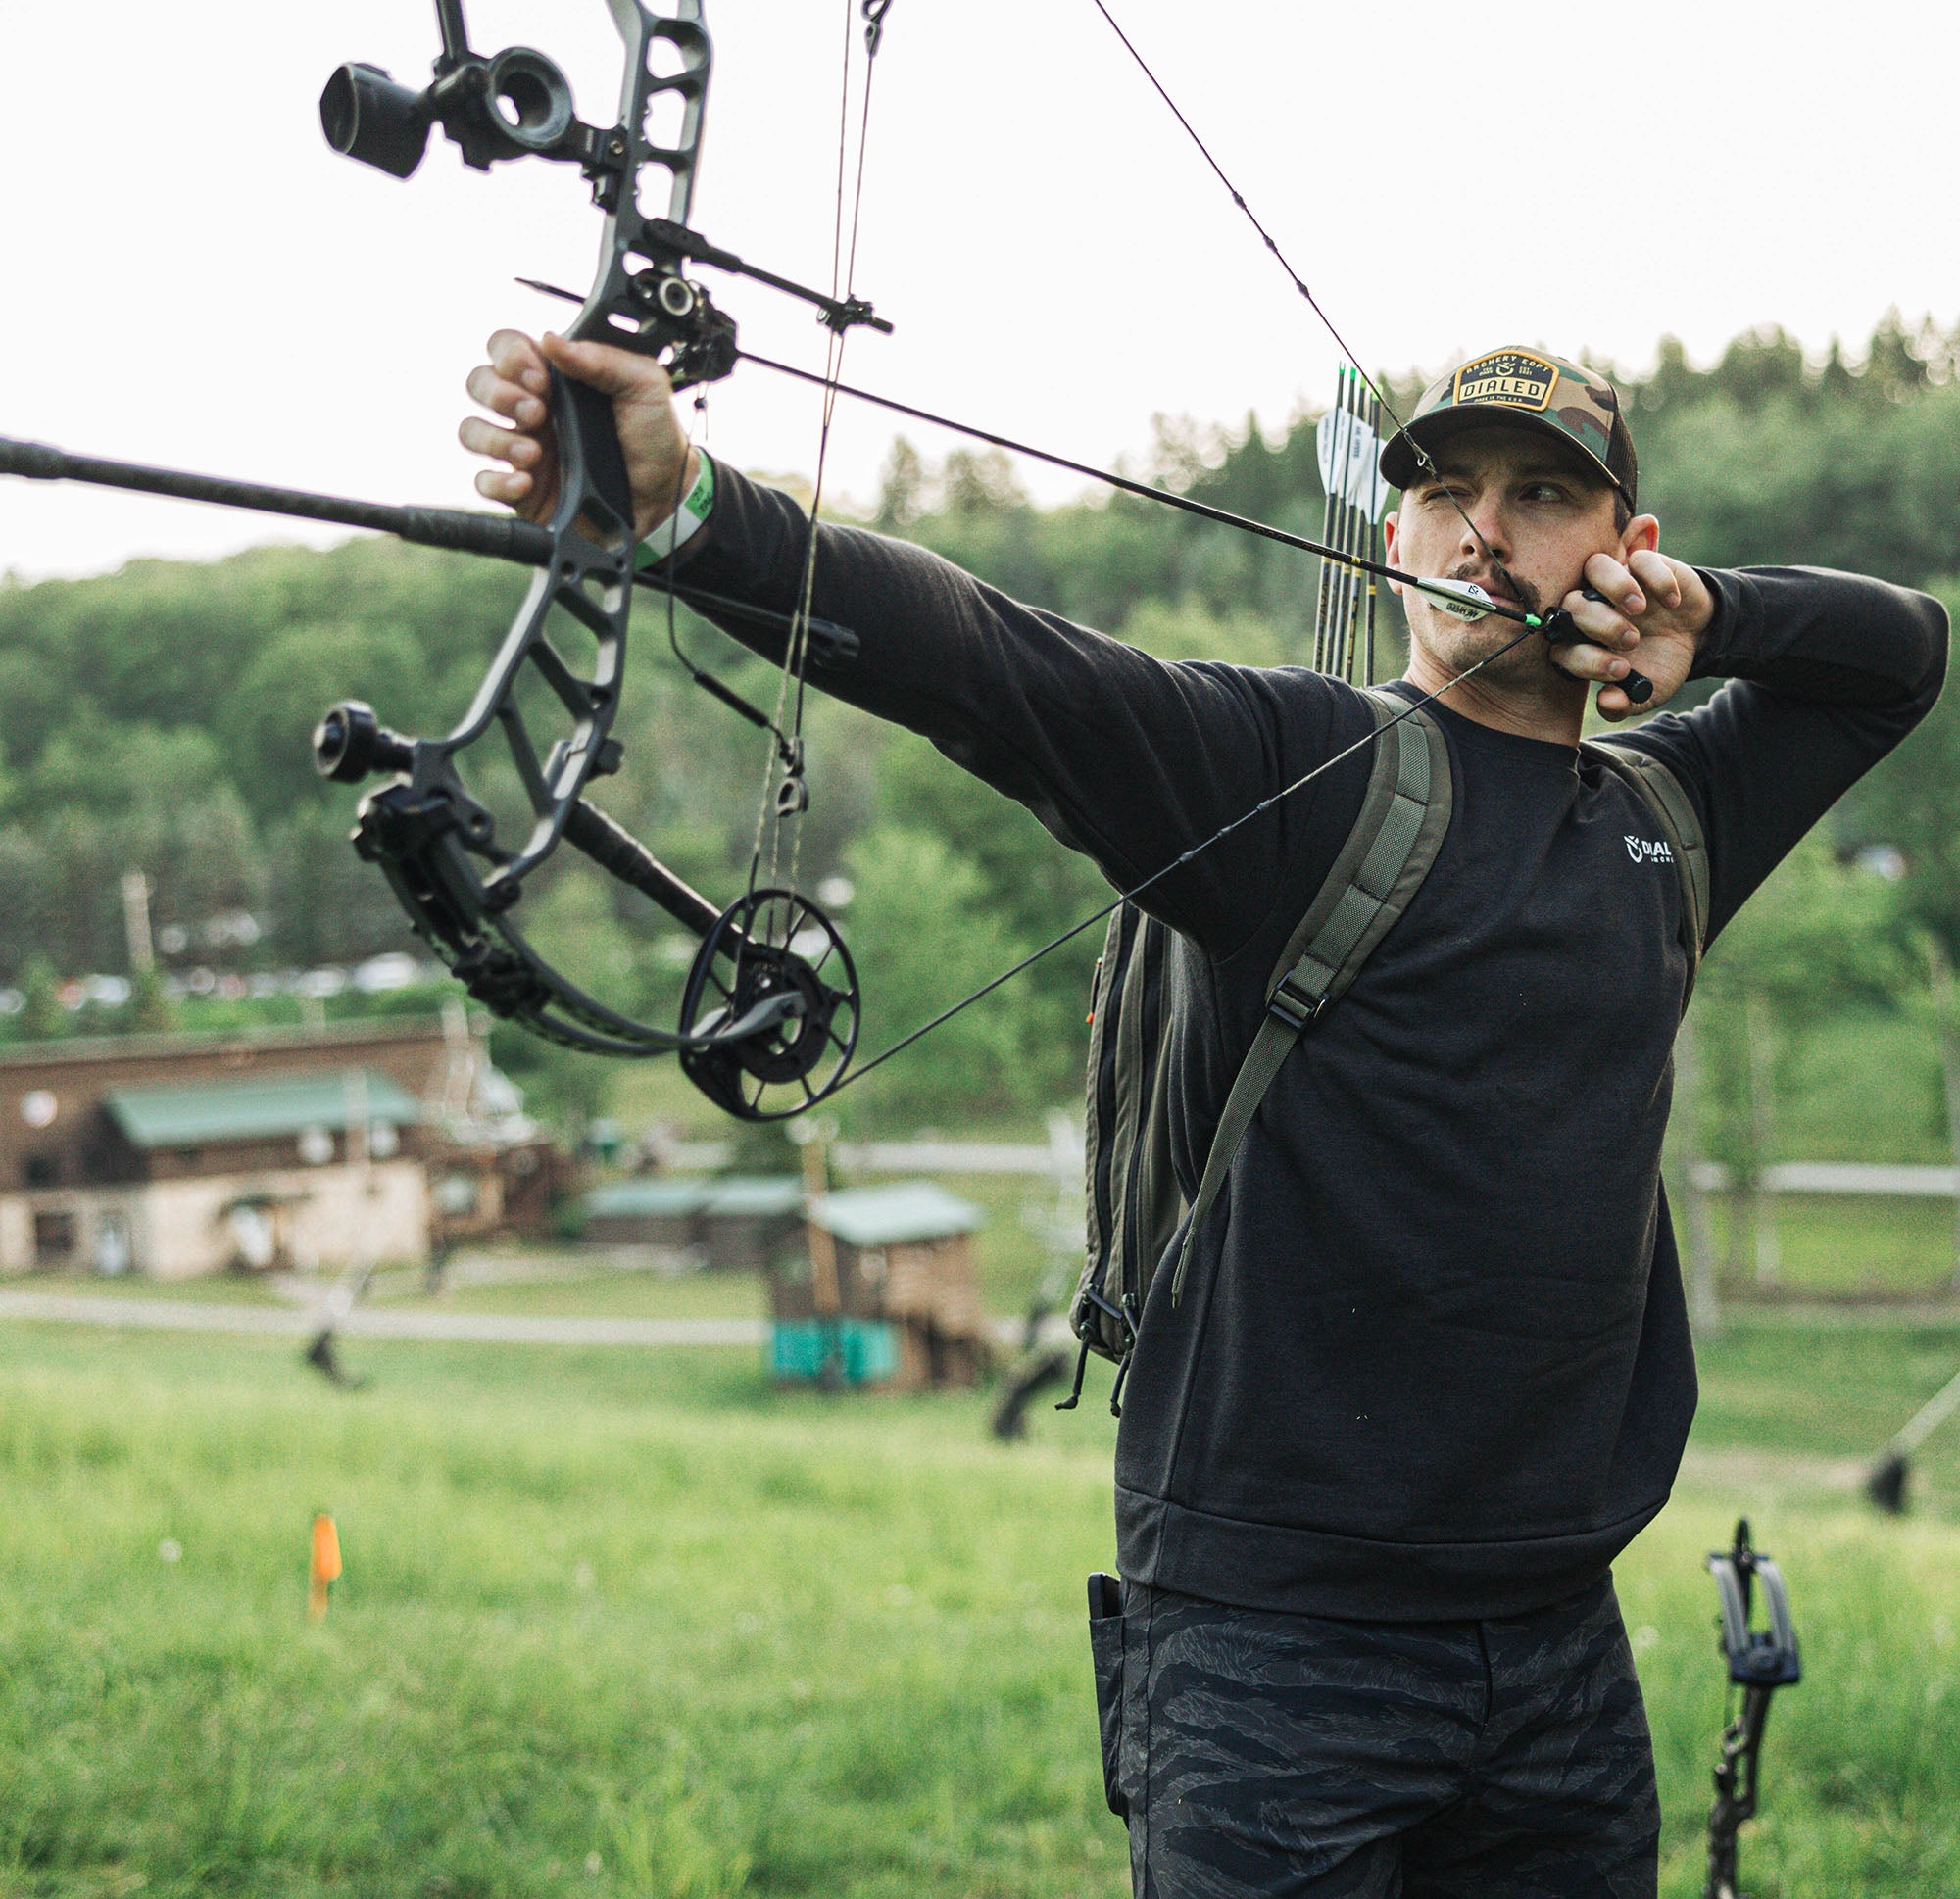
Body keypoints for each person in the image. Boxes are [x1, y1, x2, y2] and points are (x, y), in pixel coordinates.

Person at [461, 332, 1946, 1897]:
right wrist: (693, 509)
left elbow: (1901, 655)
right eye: (1444, 493)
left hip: (1558, 1645)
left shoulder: (1672, 813)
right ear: (1392, 543)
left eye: (1541, 495)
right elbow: (994, 665)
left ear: (1624, 552)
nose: (1483, 532)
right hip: (1271, 1653)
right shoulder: (1306, 774)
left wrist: (1716, 619)